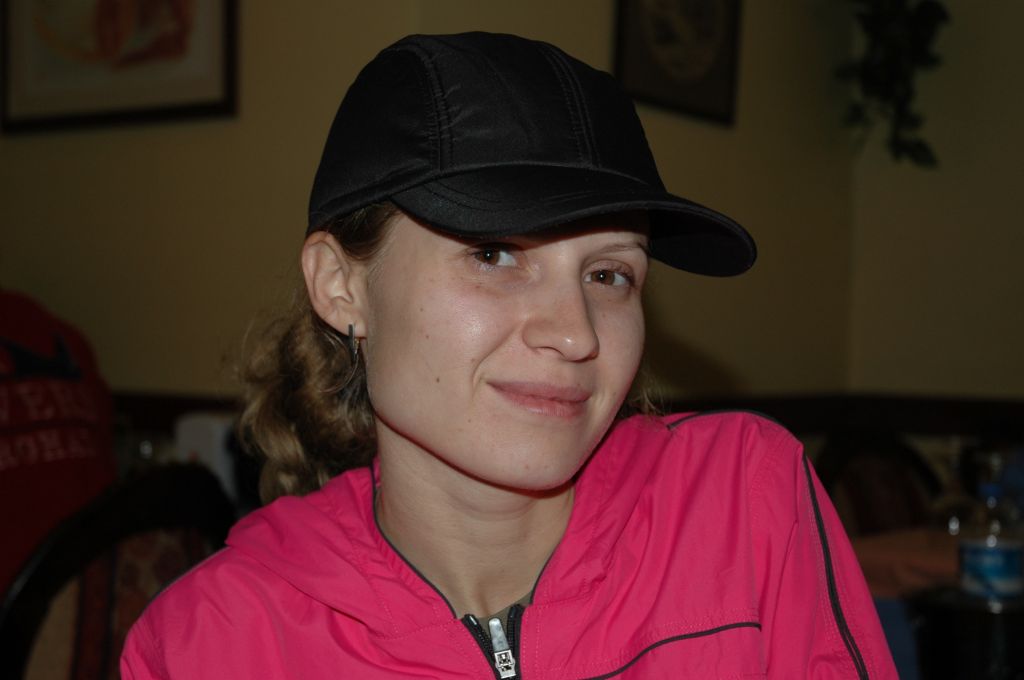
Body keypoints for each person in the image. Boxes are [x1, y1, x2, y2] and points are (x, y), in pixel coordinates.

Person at [120, 32, 898, 678]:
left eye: (609, 274)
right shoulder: (206, 644)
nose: (577, 334)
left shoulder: (746, 503)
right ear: (341, 285)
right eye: (494, 254)